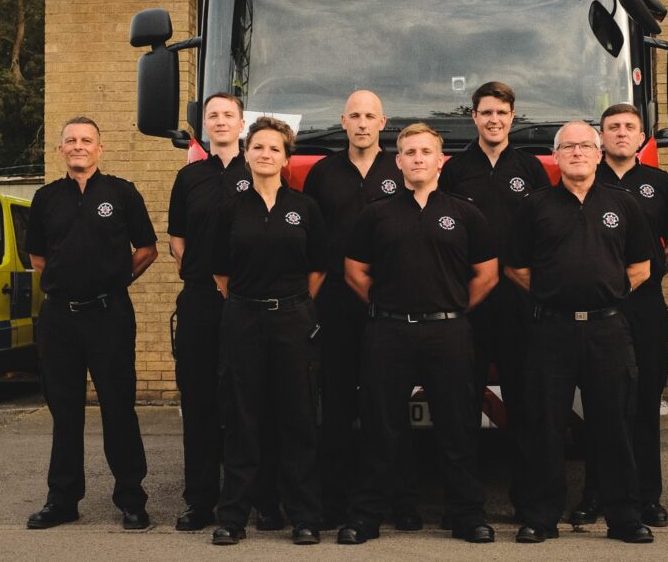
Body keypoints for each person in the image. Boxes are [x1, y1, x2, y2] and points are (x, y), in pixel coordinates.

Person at [337, 123, 498, 545]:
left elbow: (487, 273)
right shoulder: (376, 213)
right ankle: (366, 516)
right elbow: (354, 272)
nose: (418, 159)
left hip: (448, 333)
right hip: (388, 332)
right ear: (399, 161)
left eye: (426, 152)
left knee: (458, 428)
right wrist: (388, 304)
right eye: (410, 152)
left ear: (440, 160)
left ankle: (467, 516)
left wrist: (456, 308)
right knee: (380, 426)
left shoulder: (464, 212)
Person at [505, 120, 655, 544]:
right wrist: (553, 295)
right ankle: (540, 517)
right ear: (555, 156)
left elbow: (641, 266)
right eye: (567, 147)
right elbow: (515, 267)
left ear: (598, 153)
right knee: (544, 426)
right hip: (550, 331)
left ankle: (624, 516)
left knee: (613, 426)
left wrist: (607, 293)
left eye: (584, 146)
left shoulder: (623, 204)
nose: (576, 153)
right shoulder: (535, 206)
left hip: (607, 330)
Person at [25, 116, 158, 530]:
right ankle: (62, 499)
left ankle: (132, 499)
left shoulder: (122, 193)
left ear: (100, 149)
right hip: (60, 318)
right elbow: (37, 259)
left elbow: (148, 249)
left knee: (119, 408)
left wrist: (114, 282)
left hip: (109, 316)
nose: (78, 146)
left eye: (86, 140)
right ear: (60, 149)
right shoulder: (45, 198)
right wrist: (68, 285)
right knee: (65, 412)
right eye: (71, 141)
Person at [301, 90, 419, 530]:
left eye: (371, 116)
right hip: (336, 305)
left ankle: (400, 501)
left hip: (390, 304)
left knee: (388, 407)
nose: (363, 123)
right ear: (343, 121)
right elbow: (312, 240)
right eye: (355, 116)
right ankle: (334, 501)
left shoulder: (400, 167)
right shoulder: (322, 173)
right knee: (335, 406)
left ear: (383, 122)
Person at [167, 93, 283, 532]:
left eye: (228, 116)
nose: (219, 122)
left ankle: (264, 499)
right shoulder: (189, 177)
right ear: (205, 125)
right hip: (199, 302)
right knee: (198, 403)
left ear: (241, 125)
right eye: (212, 116)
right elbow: (177, 242)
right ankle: (200, 500)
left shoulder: (256, 169)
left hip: (248, 302)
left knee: (253, 403)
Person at [209, 116, 327, 546]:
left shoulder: (304, 208)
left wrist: (292, 306)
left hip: (293, 320)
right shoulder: (230, 210)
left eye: (274, 148)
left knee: (297, 419)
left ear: (286, 158)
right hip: (243, 319)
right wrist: (249, 305)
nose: (265, 154)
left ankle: (304, 517)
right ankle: (234, 517)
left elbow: (317, 268)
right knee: (242, 419)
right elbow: (221, 273)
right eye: (257, 147)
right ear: (246, 154)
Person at [571, 103, 668, 528]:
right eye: (613, 127)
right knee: (600, 407)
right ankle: (595, 495)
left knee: (643, 405)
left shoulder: (658, 183)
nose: (621, 133)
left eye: (630, 127)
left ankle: (646, 498)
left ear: (642, 137)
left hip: (644, 310)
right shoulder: (586, 179)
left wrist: (648, 276)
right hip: (599, 313)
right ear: (600, 137)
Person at [438, 81, 549, 517]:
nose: (494, 120)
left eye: (502, 113)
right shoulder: (455, 170)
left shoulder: (531, 169)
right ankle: (462, 503)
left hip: (520, 304)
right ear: (474, 117)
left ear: (512, 117)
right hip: (467, 302)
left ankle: (527, 501)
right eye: (486, 113)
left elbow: (545, 231)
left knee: (524, 403)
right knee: (461, 405)